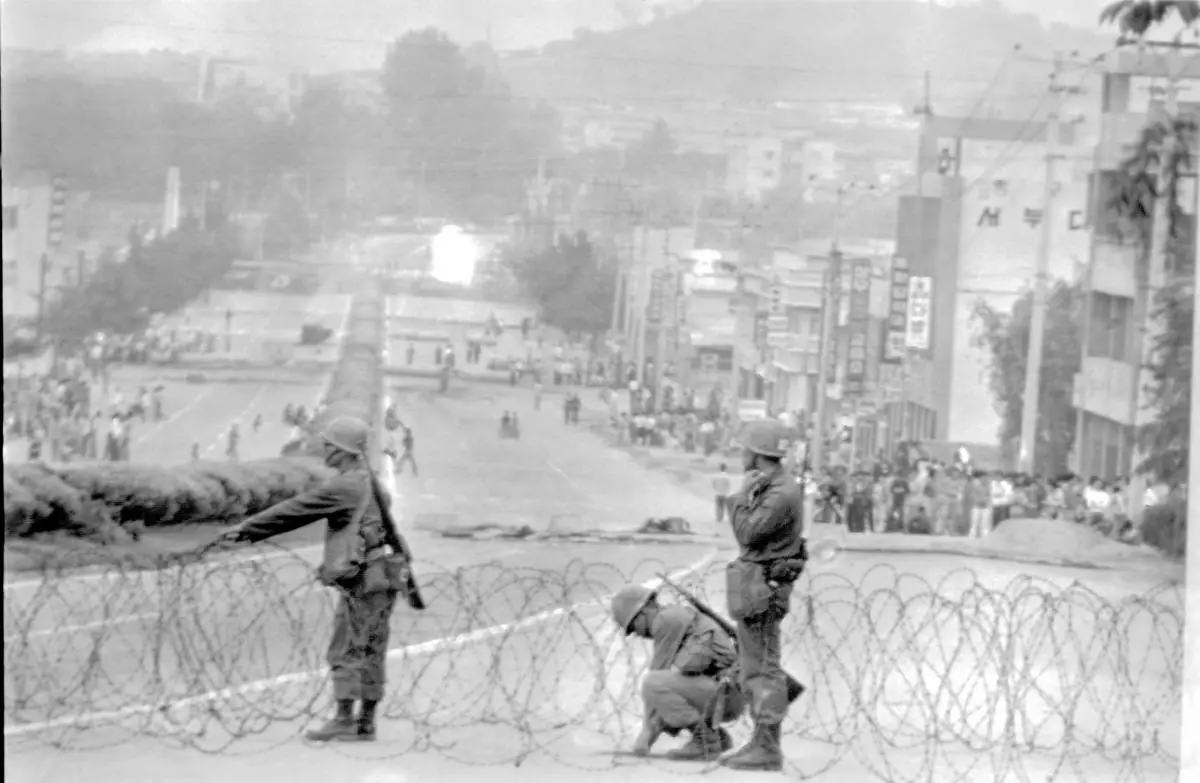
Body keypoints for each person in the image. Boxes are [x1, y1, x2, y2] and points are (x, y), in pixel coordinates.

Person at [204, 416, 403, 742]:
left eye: (329, 446)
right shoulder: (371, 481)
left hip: (363, 578)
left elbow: (296, 509)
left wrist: (245, 531)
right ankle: (366, 722)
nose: (325, 451)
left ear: (343, 450)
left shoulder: (346, 485)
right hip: (384, 574)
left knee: (347, 647)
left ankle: (343, 719)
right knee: (371, 648)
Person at [722, 418, 807, 771]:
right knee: (755, 667)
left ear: (757, 453)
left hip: (764, 588)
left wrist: (740, 498)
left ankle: (768, 747)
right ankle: (760, 740)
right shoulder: (772, 486)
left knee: (765, 668)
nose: (741, 453)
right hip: (756, 585)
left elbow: (747, 534)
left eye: (745, 448)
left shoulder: (781, 493)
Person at [610, 584, 741, 761]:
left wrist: (645, 737)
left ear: (641, 614)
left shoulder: (666, 620)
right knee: (669, 696)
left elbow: (657, 680)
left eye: (633, 627)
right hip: (727, 694)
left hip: (726, 694)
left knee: (653, 685)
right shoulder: (676, 616)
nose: (637, 634)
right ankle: (714, 736)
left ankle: (706, 740)